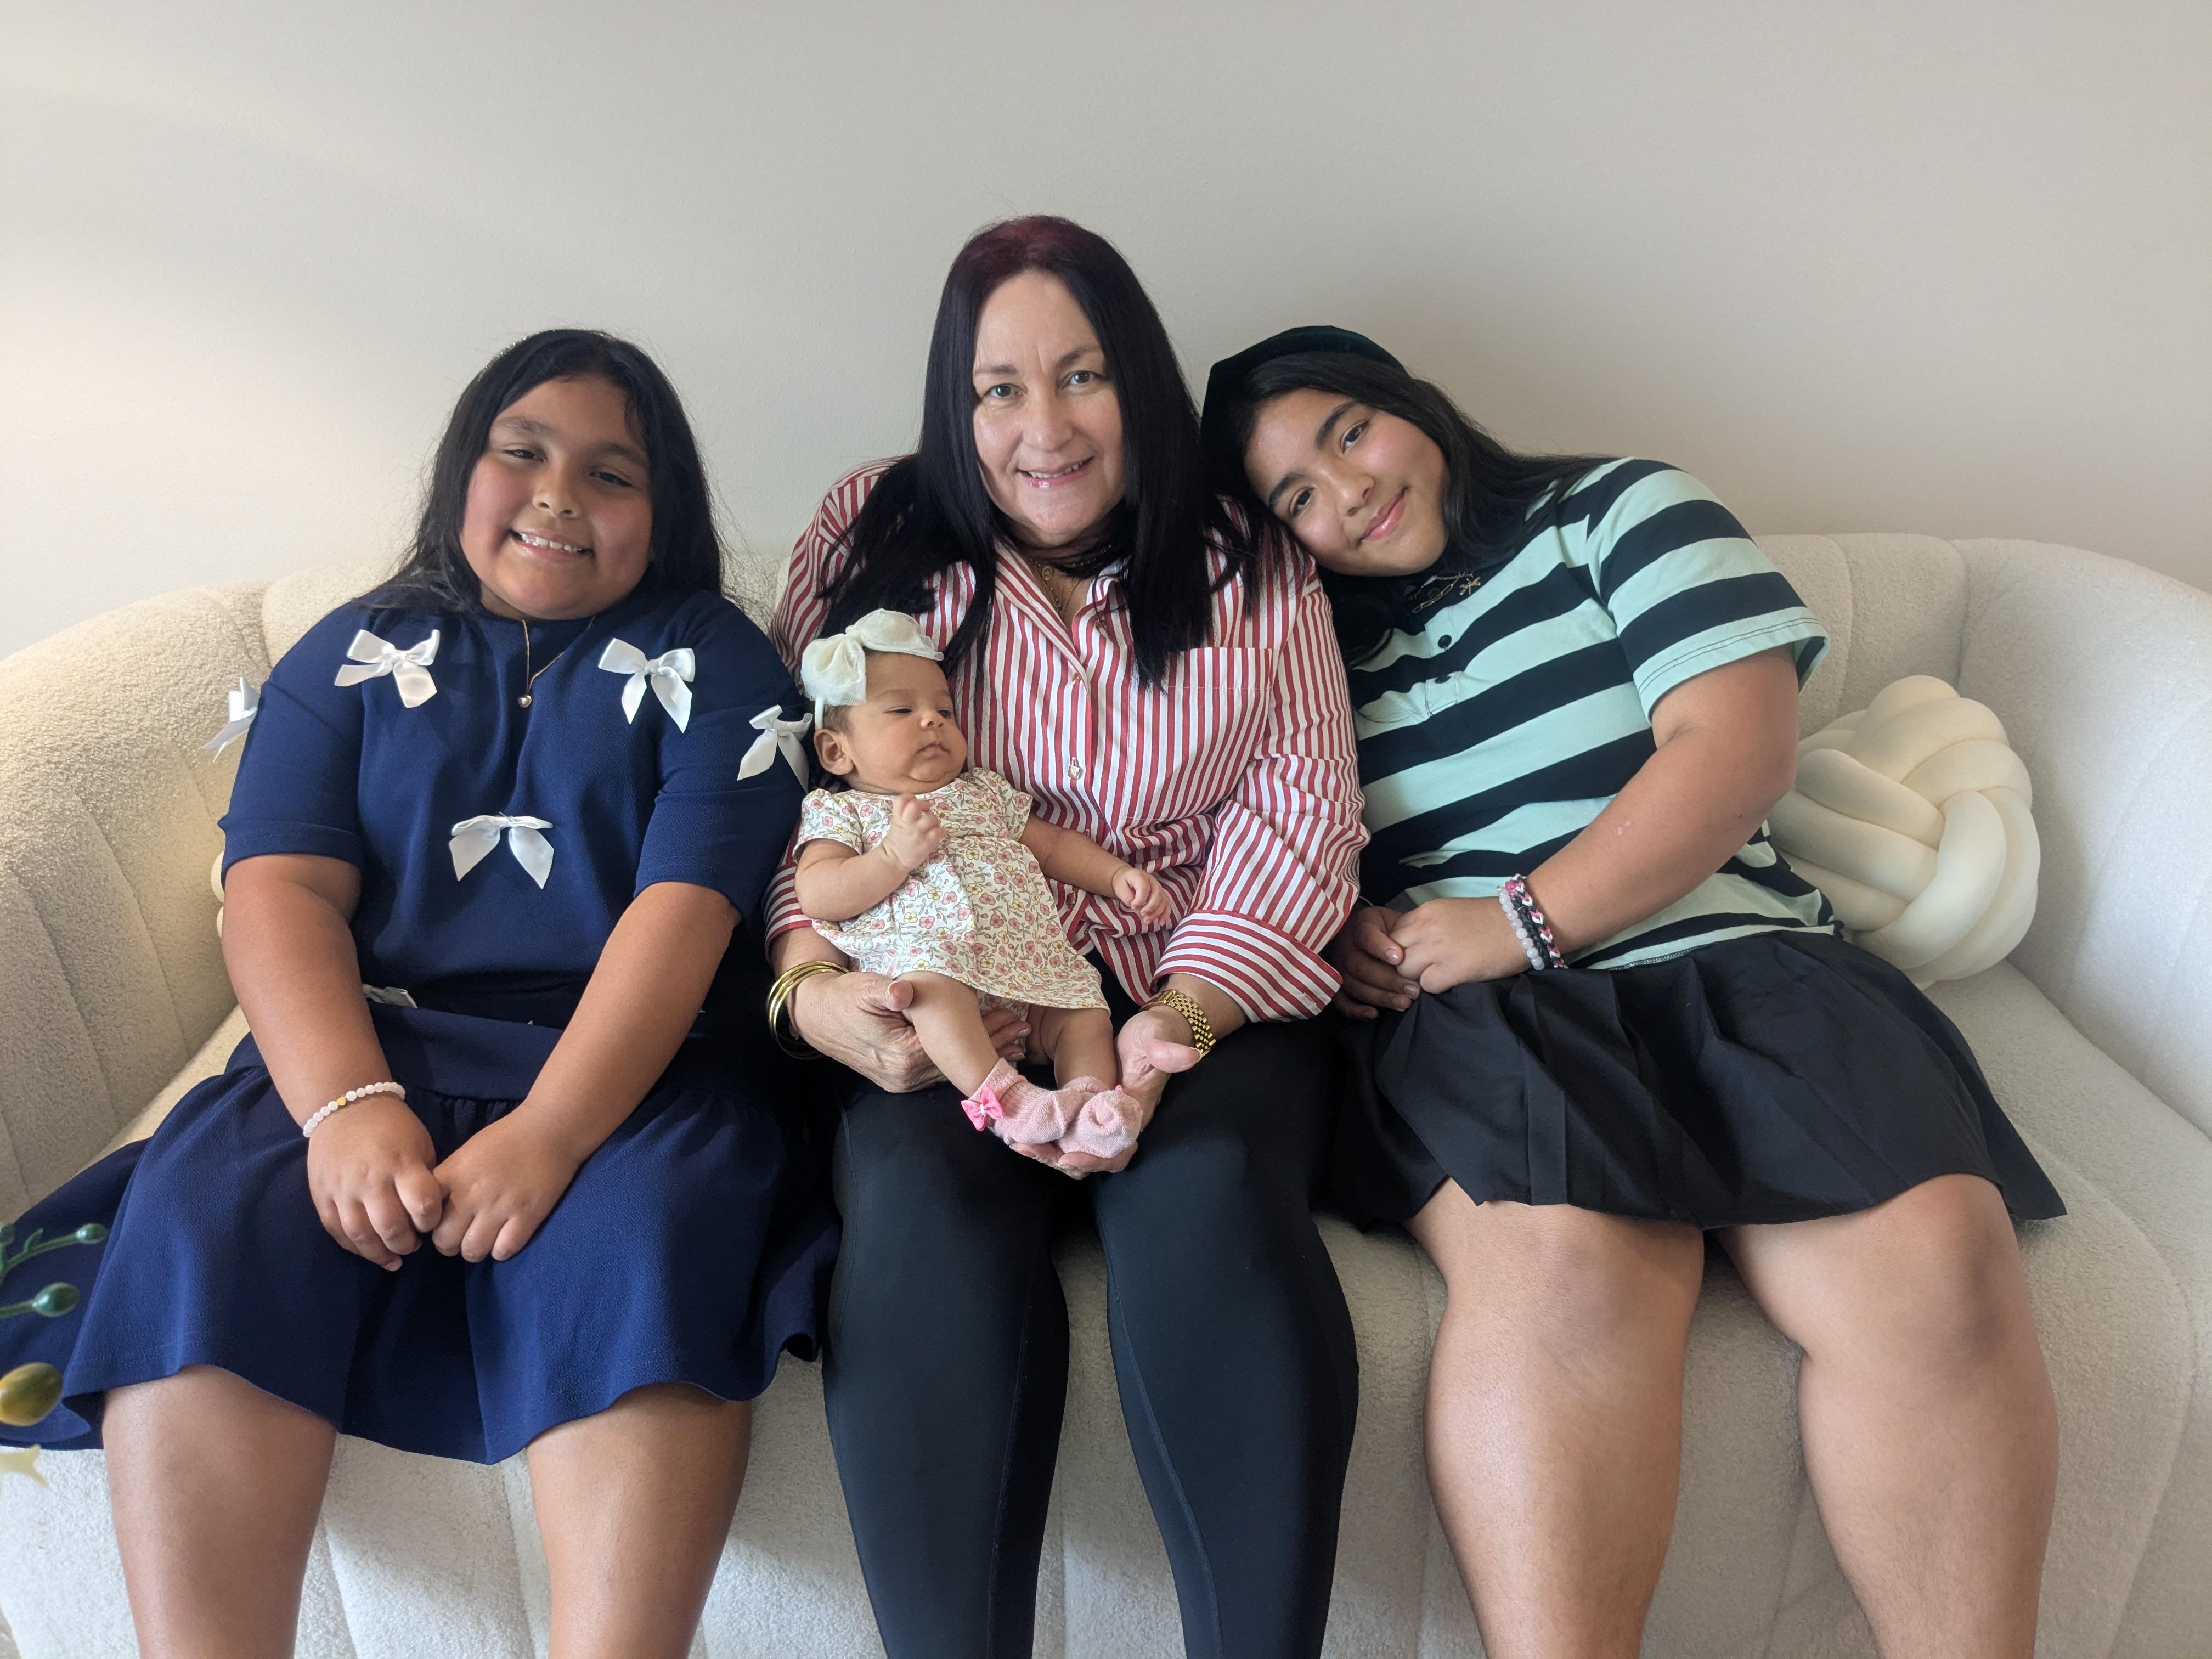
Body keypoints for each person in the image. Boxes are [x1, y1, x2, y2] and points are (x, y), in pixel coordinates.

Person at [1201, 325, 2066, 1659]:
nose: (1347, 493)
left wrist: (1520, 921)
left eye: (1348, 433)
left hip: (1742, 956)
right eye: (1296, 501)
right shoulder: (1299, 648)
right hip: (1484, 1019)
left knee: (1940, 1270)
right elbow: (1265, 838)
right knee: (1569, 1281)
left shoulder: (1617, 511)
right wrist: (1353, 933)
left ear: (1409, 403)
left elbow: (1734, 748)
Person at [0, 329, 834, 1659]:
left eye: (612, 473)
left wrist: (552, 1135)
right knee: (209, 1211)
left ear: (663, 519)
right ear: (465, 473)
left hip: (628, 1069)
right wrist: (343, 1105)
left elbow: (685, 916)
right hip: (365, 1045)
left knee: (653, 1233)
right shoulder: (352, 650)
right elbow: (278, 892)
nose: (561, 492)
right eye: (525, 452)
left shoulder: (721, 663)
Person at [765, 218, 1365, 1659]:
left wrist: (1178, 1028)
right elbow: (794, 790)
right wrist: (812, 991)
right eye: (999, 389)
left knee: (1206, 1192)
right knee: (917, 1209)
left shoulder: (1249, 560)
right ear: (953, 404)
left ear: (1139, 383)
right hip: (942, 977)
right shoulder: (870, 531)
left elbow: (1304, 818)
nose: (1045, 428)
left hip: (1192, 979)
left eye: (1083, 376)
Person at [791, 608, 1171, 1157]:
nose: (933, 721)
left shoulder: (983, 792)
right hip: (930, 970)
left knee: (1086, 1011)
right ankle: (1008, 1102)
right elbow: (818, 893)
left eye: (943, 710)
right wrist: (893, 857)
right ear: (835, 751)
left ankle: (1088, 1106)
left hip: (1027, 967)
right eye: (902, 709)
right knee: (930, 988)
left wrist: (1116, 875)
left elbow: (1055, 846)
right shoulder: (843, 812)